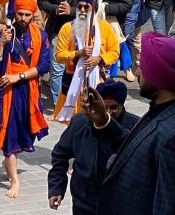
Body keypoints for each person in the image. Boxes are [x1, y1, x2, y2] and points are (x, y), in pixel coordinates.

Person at [83, 32, 175, 215]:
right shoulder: (167, 106)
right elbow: (139, 150)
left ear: (160, 77)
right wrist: (104, 121)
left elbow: (169, 209)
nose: (138, 73)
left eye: (143, 68)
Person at [47, 81, 141, 214]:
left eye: (114, 107)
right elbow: (60, 155)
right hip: (85, 201)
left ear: (122, 106)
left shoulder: (136, 127)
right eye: (104, 107)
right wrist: (56, 187)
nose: (108, 113)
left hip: (120, 203)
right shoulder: (80, 123)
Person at [0, 0, 50, 198]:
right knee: (10, 137)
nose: (23, 18)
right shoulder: (7, 34)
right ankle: (14, 179)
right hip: (8, 94)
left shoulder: (41, 36)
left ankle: (10, 158)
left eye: (27, 15)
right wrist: (0, 44)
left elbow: (43, 66)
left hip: (29, 90)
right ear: (14, 13)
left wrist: (19, 76)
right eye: (20, 14)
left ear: (33, 15)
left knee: (26, 132)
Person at [53, 0, 119, 124]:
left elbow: (114, 52)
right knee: (73, 125)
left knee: (96, 123)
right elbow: (59, 56)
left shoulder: (104, 28)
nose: (82, 10)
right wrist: (78, 53)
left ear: (93, 8)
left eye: (86, 7)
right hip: (73, 84)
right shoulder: (67, 28)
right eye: (79, 6)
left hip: (97, 85)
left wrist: (99, 59)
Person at [39, 0, 95, 106]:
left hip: (80, 31)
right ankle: (59, 104)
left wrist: (71, 10)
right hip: (57, 29)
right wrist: (56, 9)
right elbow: (43, 2)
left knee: (77, 68)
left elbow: (93, 7)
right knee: (56, 70)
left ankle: (76, 101)